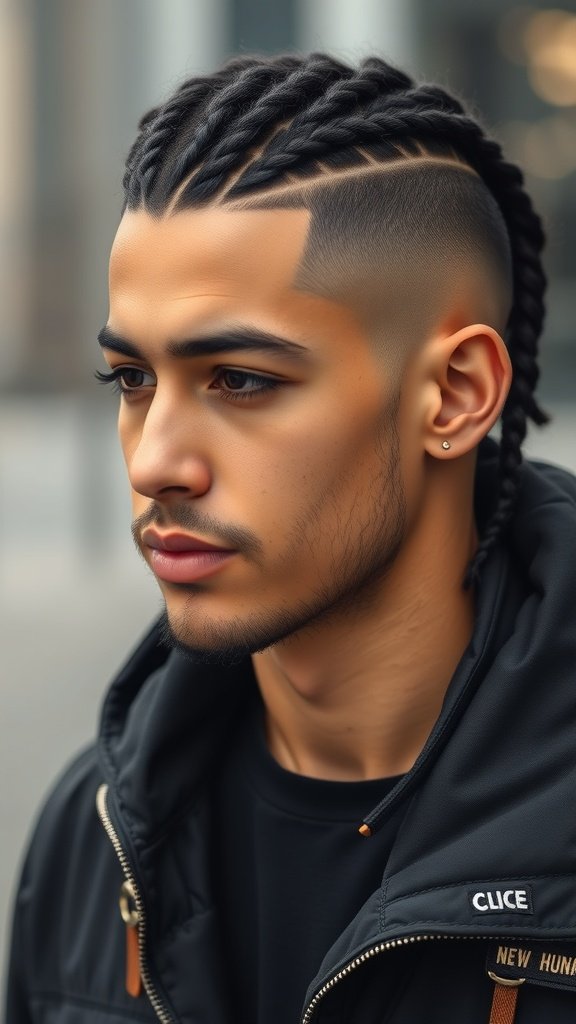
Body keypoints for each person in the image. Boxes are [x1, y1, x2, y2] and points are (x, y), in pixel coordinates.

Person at [5, 51, 576, 1024]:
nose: (154, 462)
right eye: (132, 380)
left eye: (240, 380)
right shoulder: (96, 830)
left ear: (455, 395)